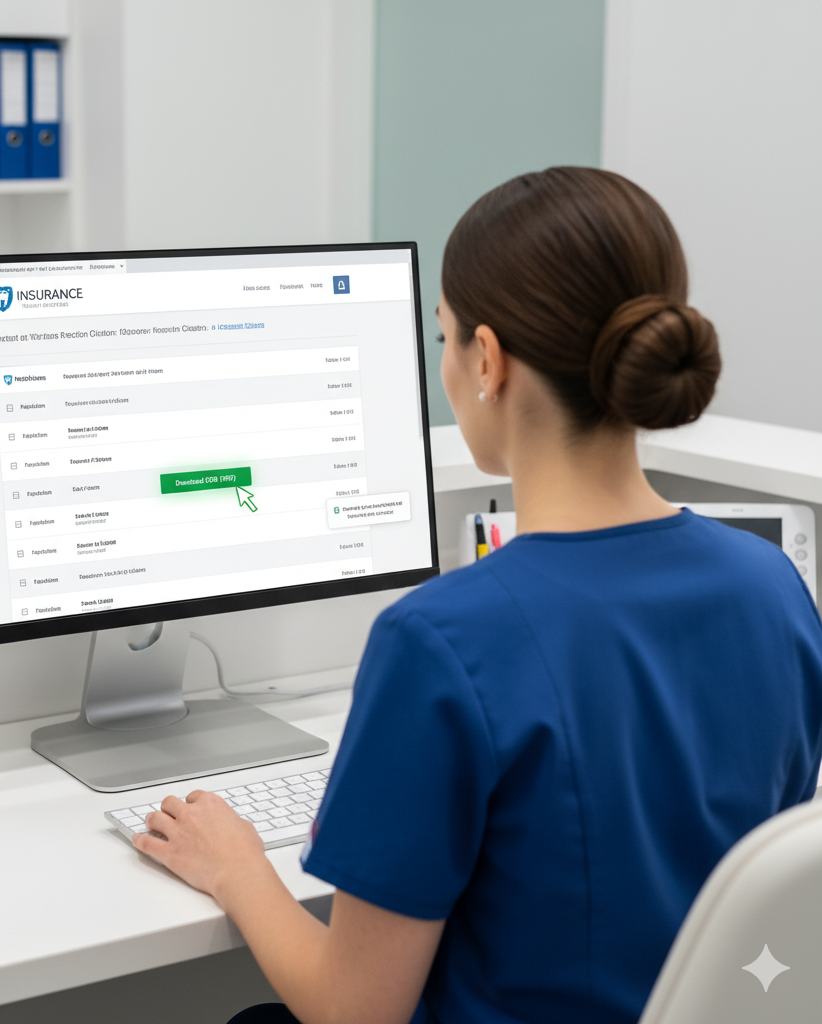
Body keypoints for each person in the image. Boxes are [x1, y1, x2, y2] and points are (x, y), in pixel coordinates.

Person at [133, 167, 822, 1024]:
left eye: (445, 339)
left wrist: (237, 866)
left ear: (487, 360)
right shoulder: (773, 588)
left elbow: (354, 1012)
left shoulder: (444, 639)